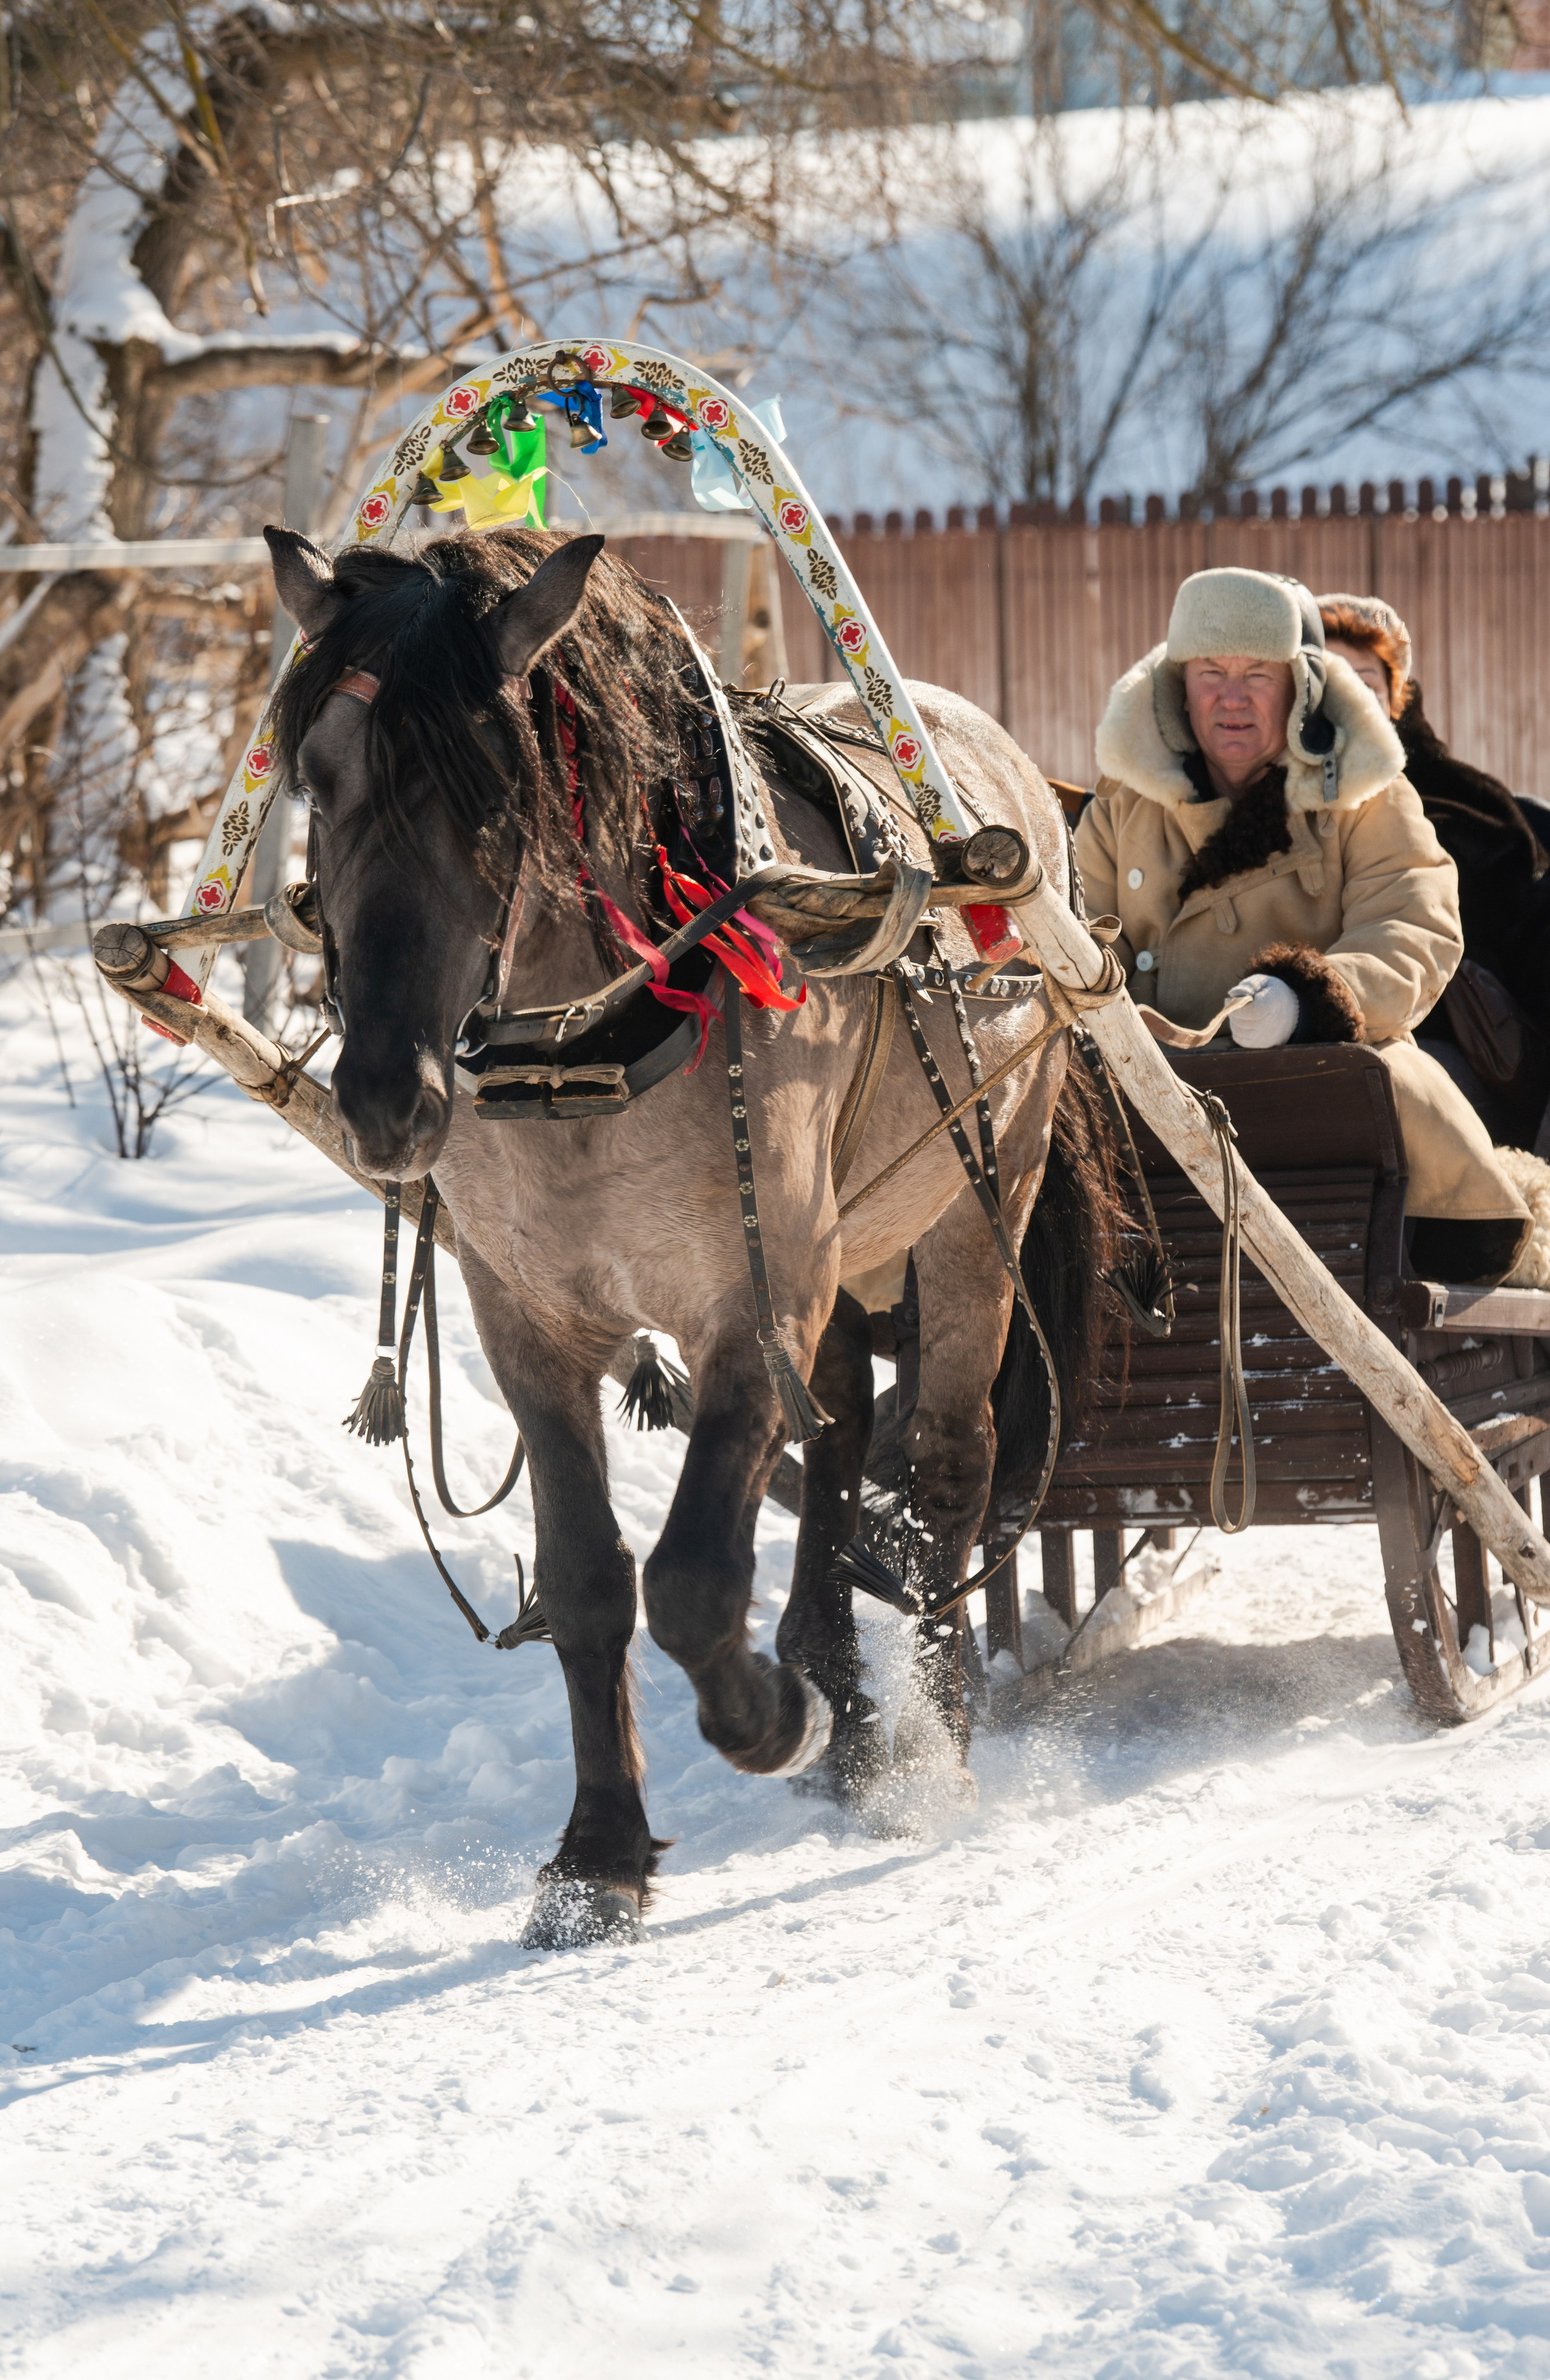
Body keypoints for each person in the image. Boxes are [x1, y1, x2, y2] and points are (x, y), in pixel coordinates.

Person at [1075, 564, 1532, 1285]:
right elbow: (1083, 934)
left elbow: (1415, 921)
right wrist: (1108, 1019)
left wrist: (1306, 997)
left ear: (1298, 685)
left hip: (1324, 1078)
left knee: (1390, 1095)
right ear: (1177, 686)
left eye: (1257, 672)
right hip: (1151, 1090)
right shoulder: (1121, 808)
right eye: (1209, 672)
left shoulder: (1363, 793)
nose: (1231, 697)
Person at [1318, 592, 1550, 1153]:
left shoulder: (1468, 807)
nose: (1349, 697)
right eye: (1330, 680)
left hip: (1456, 1054)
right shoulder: (1270, 809)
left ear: (1396, 699)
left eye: (1364, 682)